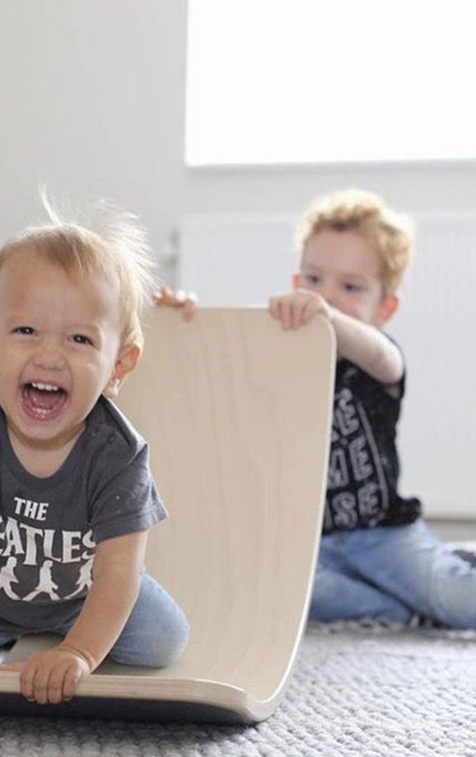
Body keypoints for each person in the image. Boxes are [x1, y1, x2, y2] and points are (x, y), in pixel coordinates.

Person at [163, 188, 476, 627]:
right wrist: (185, 319)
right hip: (312, 543)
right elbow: (227, 346)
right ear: (296, 285)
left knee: (458, 603)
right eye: (314, 280)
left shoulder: (377, 359)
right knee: (284, 598)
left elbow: (385, 358)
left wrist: (328, 319)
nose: (326, 296)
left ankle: (445, 573)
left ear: (384, 309)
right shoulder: (281, 353)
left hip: (383, 534)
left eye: (350, 287)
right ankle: (400, 608)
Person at [0, 202, 189, 706]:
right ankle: (6, 640)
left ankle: (58, 637)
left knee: (164, 639)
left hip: (78, 596)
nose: (49, 355)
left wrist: (80, 654)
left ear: (118, 366)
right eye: (25, 331)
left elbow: (117, 570)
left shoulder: (119, 456)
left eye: (80, 339)